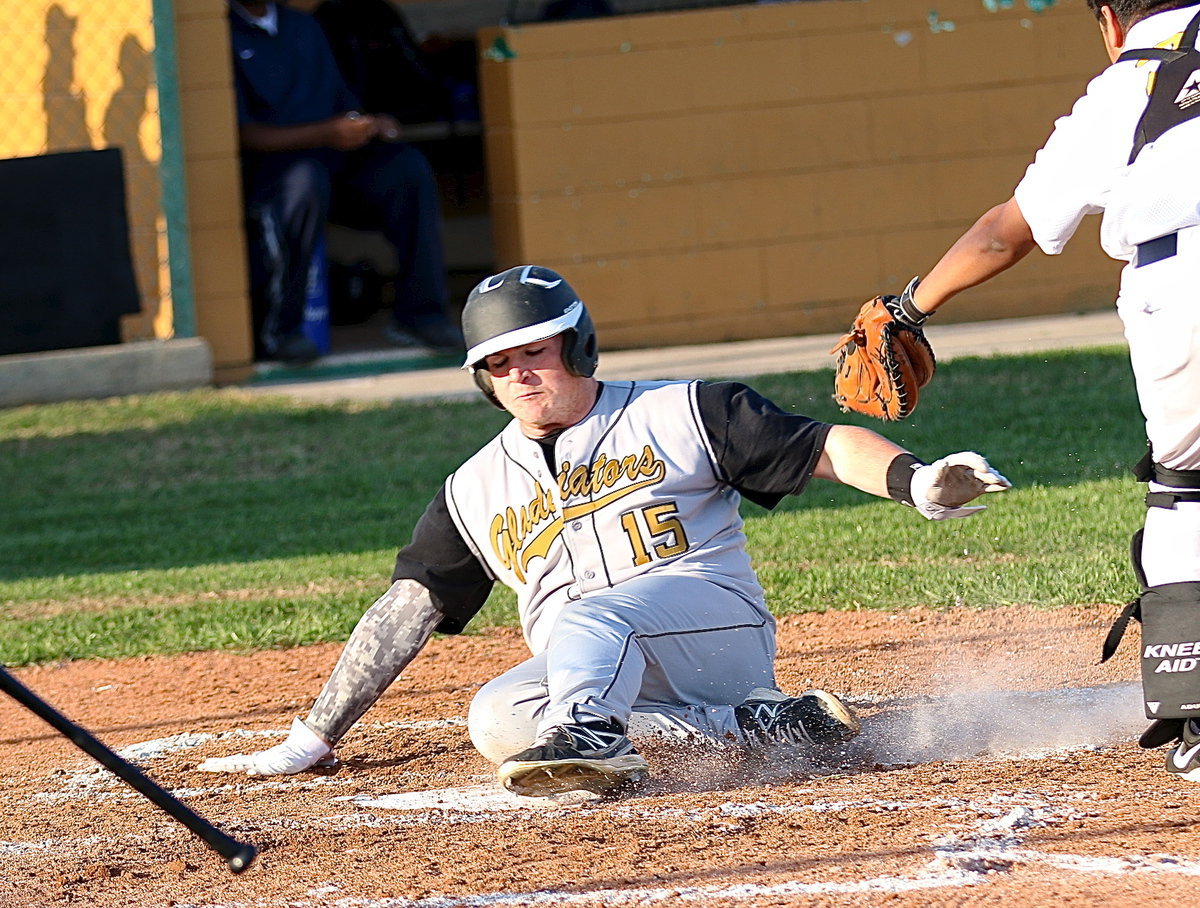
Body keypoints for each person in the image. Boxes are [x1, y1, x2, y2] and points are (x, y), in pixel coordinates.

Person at [199, 264, 1010, 798]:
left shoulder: (681, 411)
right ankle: (764, 726)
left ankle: (597, 729)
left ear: (577, 342)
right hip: (604, 671)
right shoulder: (474, 486)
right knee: (495, 717)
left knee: (594, 610)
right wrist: (314, 735)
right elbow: (410, 605)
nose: (518, 372)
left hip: (709, 627)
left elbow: (821, 446)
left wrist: (914, 479)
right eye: (497, 363)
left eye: (534, 350)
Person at [848, 0, 1200, 778]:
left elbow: (1005, 231)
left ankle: (1197, 709)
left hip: (1179, 286)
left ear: (1111, 20)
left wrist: (909, 309)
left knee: (1188, 488)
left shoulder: (1127, 83)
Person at [227, 0, 463, 364]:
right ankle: (279, 332)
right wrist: (326, 133)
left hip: (334, 161)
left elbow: (342, 105)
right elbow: (244, 135)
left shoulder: (303, 26)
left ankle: (422, 315)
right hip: (273, 174)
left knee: (406, 170)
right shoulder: (223, 30)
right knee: (303, 181)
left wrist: (368, 124)